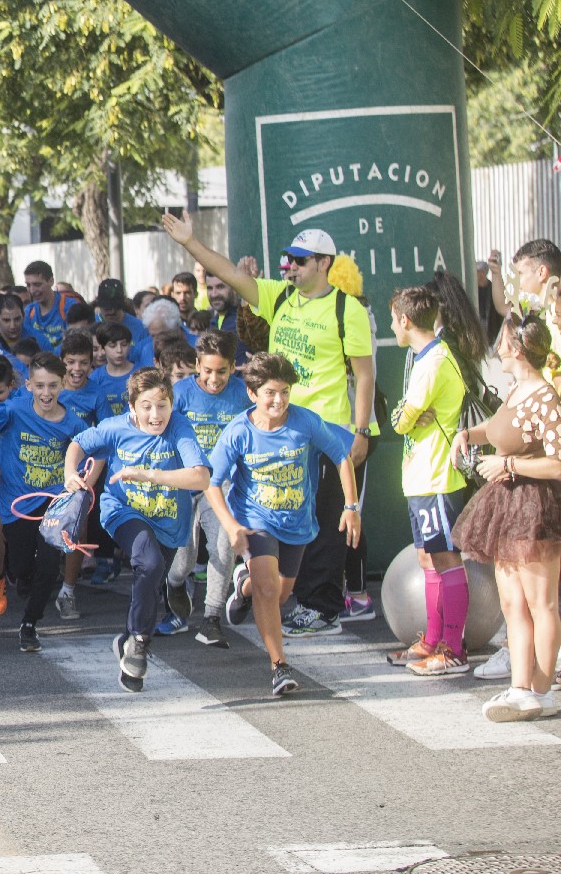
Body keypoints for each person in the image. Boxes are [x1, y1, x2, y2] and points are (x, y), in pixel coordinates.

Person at [163, 211, 374, 636]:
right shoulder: (278, 297)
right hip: (279, 424)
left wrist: (361, 430)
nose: (291, 267)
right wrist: (190, 242)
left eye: (300, 260)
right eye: (289, 259)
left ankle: (324, 608)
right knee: (287, 509)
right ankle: (284, 596)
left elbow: (365, 374)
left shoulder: (345, 309)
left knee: (325, 517)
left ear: (323, 264)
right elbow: (225, 271)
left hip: (330, 428)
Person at [205, 353, 359, 698]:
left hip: (297, 522)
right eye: (271, 393)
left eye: (285, 392)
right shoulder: (238, 432)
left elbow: (341, 456)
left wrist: (351, 506)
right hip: (255, 520)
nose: (279, 401)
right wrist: (231, 526)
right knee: (269, 590)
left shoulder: (305, 423)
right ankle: (279, 666)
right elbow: (211, 483)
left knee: (281, 593)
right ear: (252, 394)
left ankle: (243, 586)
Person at [66, 368, 210, 692]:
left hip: (170, 519)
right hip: (123, 511)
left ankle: (127, 639)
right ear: (131, 406)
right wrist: (69, 474)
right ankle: (141, 641)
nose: (155, 414)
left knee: (151, 578)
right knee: (149, 563)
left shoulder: (179, 428)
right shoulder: (116, 427)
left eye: (162, 405)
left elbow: (201, 478)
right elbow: (78, 443)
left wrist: (150, 476)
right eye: (146, 405)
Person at [452, 313, 561, 720]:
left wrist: (510, 466)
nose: (496, 348)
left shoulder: (546, 398)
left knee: (541, 603)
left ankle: (543, 689)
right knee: (513, 603)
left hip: (536, 508)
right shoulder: (515, 391)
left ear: (516, 348)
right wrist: (468, 435)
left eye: (501, 341)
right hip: (507, 507)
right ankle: (520, 688)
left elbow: (558, 462)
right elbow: (500, 429)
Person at [380, 284, 473, 676]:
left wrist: (406, 416)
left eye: (392, 320)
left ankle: (452, 648)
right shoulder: (423, 357)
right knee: (428, 558)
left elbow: (401, 420)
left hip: (438, 476)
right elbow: (405, 415)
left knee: (447, 559)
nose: (392, 326)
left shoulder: (433, 361)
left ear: (404, 320)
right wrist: (407, 414)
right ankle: (432, 640)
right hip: (421, 476)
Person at [0, 352, 91, 651]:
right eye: (41, 386)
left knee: (48, 563)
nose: (47, 393)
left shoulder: (72, 422)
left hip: (53, 500)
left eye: (53, 386)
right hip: (15, 499)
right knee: (20, 566)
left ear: (63, 386)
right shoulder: (15, 409)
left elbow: (91, 449)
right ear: (29, 385)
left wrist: (80, 481)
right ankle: (22, 577)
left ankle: (30, 623)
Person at [169, 330, 251, 646]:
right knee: (184, 559)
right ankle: (175, 583)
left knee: (222, 543)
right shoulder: (181, 393)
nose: (214, 379)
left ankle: (212, 617)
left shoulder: (243, 394)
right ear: (197, 366)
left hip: (221, 482)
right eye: (207, 371)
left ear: (233, 366)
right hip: (184, 479)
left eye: (222, 371)